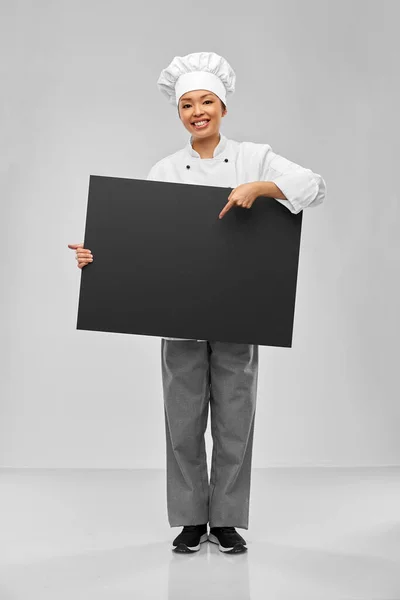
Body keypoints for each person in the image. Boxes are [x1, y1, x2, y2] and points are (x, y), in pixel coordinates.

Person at [68, 51, 327, 555]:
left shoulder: (254, 156)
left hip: (240, 308)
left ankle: (226, 518)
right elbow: (146, 239)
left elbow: (314, 188)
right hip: (178, 309)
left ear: (223, 106)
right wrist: (97, 257)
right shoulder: (165, 168)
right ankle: (190, 518)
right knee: (182, 416)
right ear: (179, 113)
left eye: (207, 101)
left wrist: (261, 186)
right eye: (187, 104)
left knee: (236, 415)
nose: (197, 111)